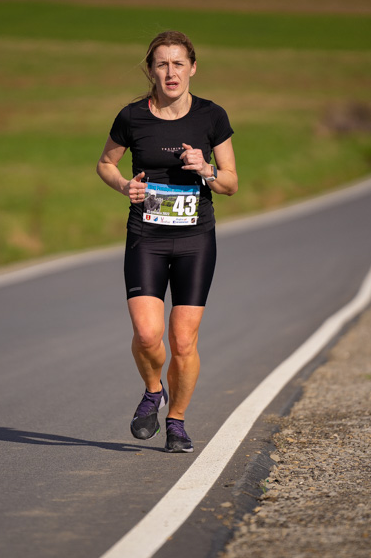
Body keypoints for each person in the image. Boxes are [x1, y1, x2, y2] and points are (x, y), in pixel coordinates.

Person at [96, 30, 238, 453]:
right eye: (162, 64)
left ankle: (175, 421)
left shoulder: (212, 117)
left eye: (178, 63)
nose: (170, 72)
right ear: (151, 70)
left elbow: (231, 184)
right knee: (146, 333)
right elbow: (105, 163)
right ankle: (152, 390)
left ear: (192, 68)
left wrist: (206, 168)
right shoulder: (132, 117)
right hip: (147, 234)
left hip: (195, 239)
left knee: (183, 341)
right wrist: (124, 186)